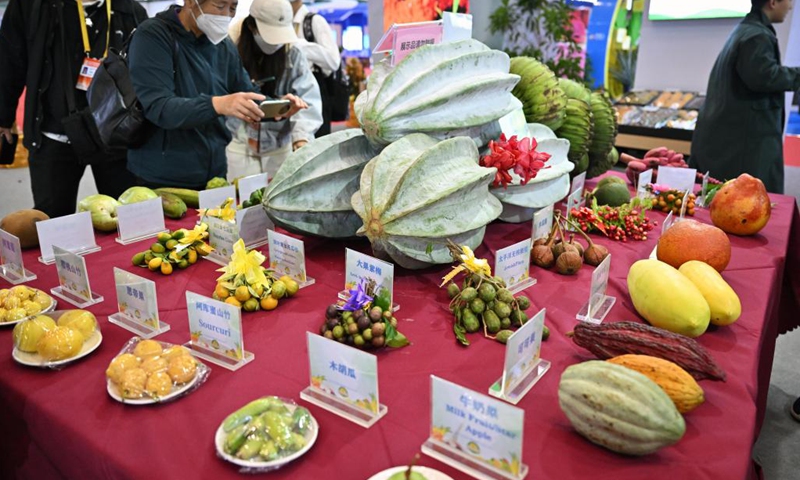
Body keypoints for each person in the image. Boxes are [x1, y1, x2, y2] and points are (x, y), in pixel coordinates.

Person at [0, 0, 147, 217]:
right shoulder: (32, 6)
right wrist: (3, 117)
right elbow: (9, 60)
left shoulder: (130, 9)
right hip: (52, 132)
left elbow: (145, 73)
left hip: (115, 135)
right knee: (53, 221)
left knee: (129, 218)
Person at [126, 0, 267, 189]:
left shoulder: (223, 46)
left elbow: (248, 94)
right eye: (219, 6)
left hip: (214, 174)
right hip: (163, 178)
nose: (226, 15)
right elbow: (160, 108)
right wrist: (217, 104)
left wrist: (277, 106)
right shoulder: (153, 36)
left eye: (233, 7)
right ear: (191, 2)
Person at [690, 0, 800, 194]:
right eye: (789, 1)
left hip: (729, 138)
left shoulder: (746, 30)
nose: (791, 7)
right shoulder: (756, 36)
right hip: (743, 144)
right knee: (743, 206)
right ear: (773, 2)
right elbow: (764, 77)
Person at [226, 0, 321, 180]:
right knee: (240, 203)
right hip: (239, 146)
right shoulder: (230, 49)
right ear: (252, 26)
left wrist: (301, 139)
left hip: (280, 148)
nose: (276, 44)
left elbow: (309, 100)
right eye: (270, 35)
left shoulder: (293, 53)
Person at [290, 0, 341, 137]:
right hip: (289, 90)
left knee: (317, 145)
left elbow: (333, 60)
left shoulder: (314, 21)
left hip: (314, 88)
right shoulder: (281, 22)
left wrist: (298, 46)